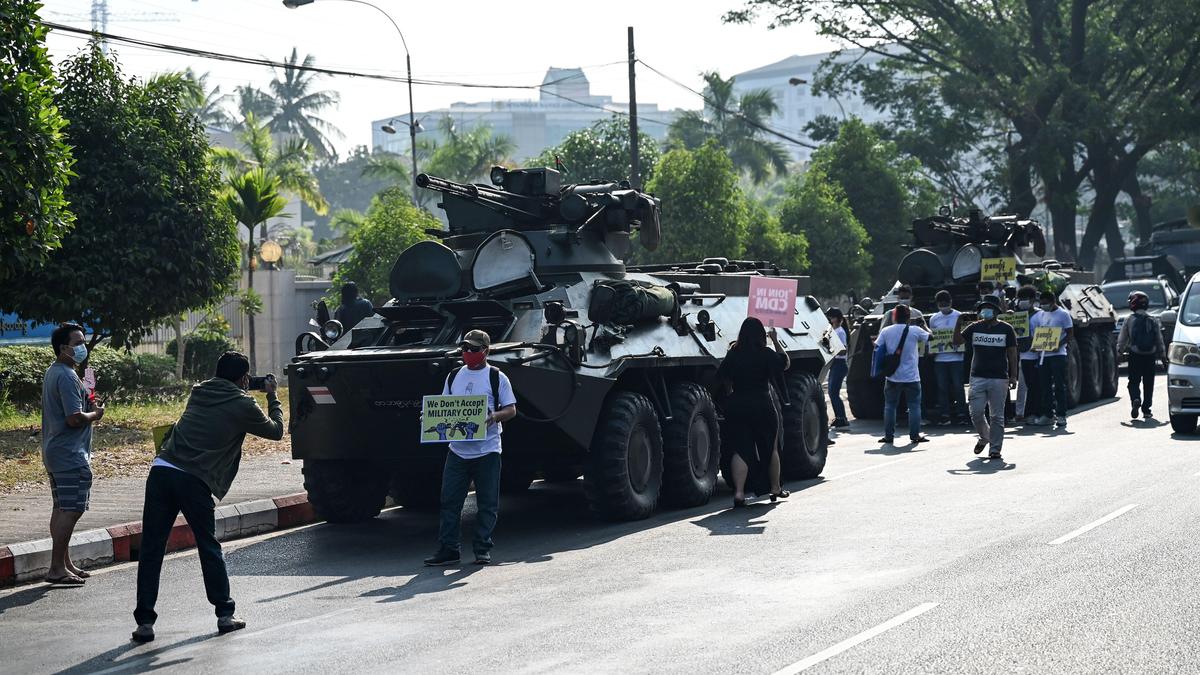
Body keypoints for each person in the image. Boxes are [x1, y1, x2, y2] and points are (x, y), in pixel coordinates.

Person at [131, 351, 284, 643]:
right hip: (194, 479)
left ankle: (145, 623)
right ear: (243, 379)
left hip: (162, 470)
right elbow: (276, 432)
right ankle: (225, 614)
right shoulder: (244, 403)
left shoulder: (198, 392)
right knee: (207, 545)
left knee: (151, 548)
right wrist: (272, 397)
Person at [425, 330, 517, 566]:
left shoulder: (497, 377)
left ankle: (482, 548)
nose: (468, 353)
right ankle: (448, 548)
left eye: (474, 349)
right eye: (465, 348)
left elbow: (511, 409)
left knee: (487, 503)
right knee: (449, 502)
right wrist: (429, 418)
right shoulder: (454, 376)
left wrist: (494, 416)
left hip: (487, 450)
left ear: (485, 351)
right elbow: (444, 406)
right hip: (457, 450)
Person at [40, 323, 103, 585]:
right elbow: (74, 419)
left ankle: (64, 563)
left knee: (61, 508)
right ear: (63, 348)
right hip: (70, 454)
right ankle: (56, 568)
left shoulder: (58, 372)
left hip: (56, 451)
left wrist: (88, 401)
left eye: (83, 341)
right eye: (77, 343)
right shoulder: (66, 376)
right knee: (71, 510)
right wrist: (95, 415)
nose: (82, 347)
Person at [717, 318, 791, 507]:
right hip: (762, 405)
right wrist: (775, 340)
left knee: (740, 448)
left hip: (738, 404)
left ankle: (740, 493)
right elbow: (785, 364)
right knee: (770, 446)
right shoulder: (765, 353)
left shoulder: (733, 353)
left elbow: (722, 376)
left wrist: (730, 394)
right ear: (761, 335)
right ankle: (775, 488)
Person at [954, 297, 1019, 460]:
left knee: (997, 416)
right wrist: (958, 323)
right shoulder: (974, 327)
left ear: (997, 311)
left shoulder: (1006, 329)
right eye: (983, 308)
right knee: (975, 412)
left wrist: (1013, 376)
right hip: (977, 377)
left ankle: (995, 449)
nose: (986, 311)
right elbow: (956, 341)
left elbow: (1012, 353)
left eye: (989, 308)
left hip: (999, 378)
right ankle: (985, 437)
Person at [876, 304, 931, 445]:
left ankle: (889, 436)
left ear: (894, 317)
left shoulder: (886, 331)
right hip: (912, 376)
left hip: (892, 376)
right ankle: (915, 435)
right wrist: (923, 324)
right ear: (908, 317)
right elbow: (931, 337)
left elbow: (877, 347)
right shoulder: (915, 330)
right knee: (914, 406)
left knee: (890, 406)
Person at [1118, 290, 1167, 419]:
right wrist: (1163, 356)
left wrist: (1119, 352)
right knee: (1148, 383)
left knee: (1133, 381)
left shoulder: (1129, 319)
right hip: (1150, 356)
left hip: (1135, 355)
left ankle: (1135, 398)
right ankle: (1146, 409)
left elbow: (1122, 339)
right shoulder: (1153, 319)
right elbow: (1159, 340)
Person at [1029, 290, 1074, 429]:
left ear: (1053, 302)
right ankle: (1048, 415)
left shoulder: (1063, 315)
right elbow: (1036, 332)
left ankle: (1061, 415)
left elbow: (1070, 334)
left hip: (1058, 355)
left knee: (1059, 385)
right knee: (1045, 386)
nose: (1043, 306)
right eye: (1041, 303)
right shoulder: (1040, 315)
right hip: (1043, 356)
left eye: (1045, 303)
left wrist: (1059, 344)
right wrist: (1035, 345)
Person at [929, 290, 967, 425]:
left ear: (950, 302)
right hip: (940, 359)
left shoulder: (959, 316)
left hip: (957, 358)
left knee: (958, 387)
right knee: (942, 387)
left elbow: (964, 336)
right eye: (940, 304)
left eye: (945, 303)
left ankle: (962, 413)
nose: (943, 306)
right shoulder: (934, 319)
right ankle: (945, 415)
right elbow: (932, 337)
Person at [1012, 285, 1041, 424]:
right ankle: (1020, 413)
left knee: (1037, 385)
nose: (1022, 301)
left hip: (1039, 355)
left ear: (1032, 299)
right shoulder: (1016, 316)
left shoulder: (1039, 314)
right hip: (1024, 355)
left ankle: (1037, 411)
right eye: (1020, 299)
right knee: (1023, 385)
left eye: (1025, 299)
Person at [826, 308, 850, 428]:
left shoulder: (840, 332)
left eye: (830, 317)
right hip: (836, 364)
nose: (829, 319)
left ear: (835, 318)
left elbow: (843, 349)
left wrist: (831, 352)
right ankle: (839, 417)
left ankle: (842, 418)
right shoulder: (834, 330)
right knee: (832, 392)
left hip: (839, 364)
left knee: (833, 392)